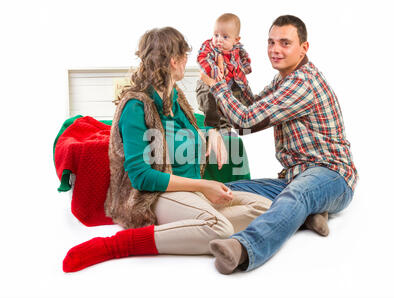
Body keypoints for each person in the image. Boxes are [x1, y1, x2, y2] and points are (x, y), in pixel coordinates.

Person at [62, 26, 276, 273]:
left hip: (192, 191)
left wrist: (212, 132)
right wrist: (203, 185)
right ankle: (117, 245)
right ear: (174, 61)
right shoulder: (136, 106)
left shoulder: (176, 97)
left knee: (267, 209)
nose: (188, 61)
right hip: (156, 195)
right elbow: (141, 177)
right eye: (185, 56)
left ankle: (202, 231)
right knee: (220, 227)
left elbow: (184, 136)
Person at [201, 15, 358, 274]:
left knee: (299, 194)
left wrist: (218, 86)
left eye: (285, 43)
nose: (275, 50)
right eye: (271, 42)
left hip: (333, 176)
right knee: (226, 189)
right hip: (294, 177)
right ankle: (309, 215)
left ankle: (242, 248)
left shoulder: (302, 82)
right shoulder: (283, 80)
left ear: (303, 48)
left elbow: (245, 121)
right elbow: (251, 106)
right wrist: (232, 75)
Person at [196, 13, 254, 133]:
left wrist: (245, 67)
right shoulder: (209, 46)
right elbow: (202, 58)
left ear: (236, 40)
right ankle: (212, 128)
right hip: (209, 85)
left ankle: (227, 125)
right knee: (211, 105)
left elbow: (245, 59)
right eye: (216, 35)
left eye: (225, 37)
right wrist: (215, 69)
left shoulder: (238, 49)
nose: (219, 40)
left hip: (230, 84)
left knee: (236, 100)